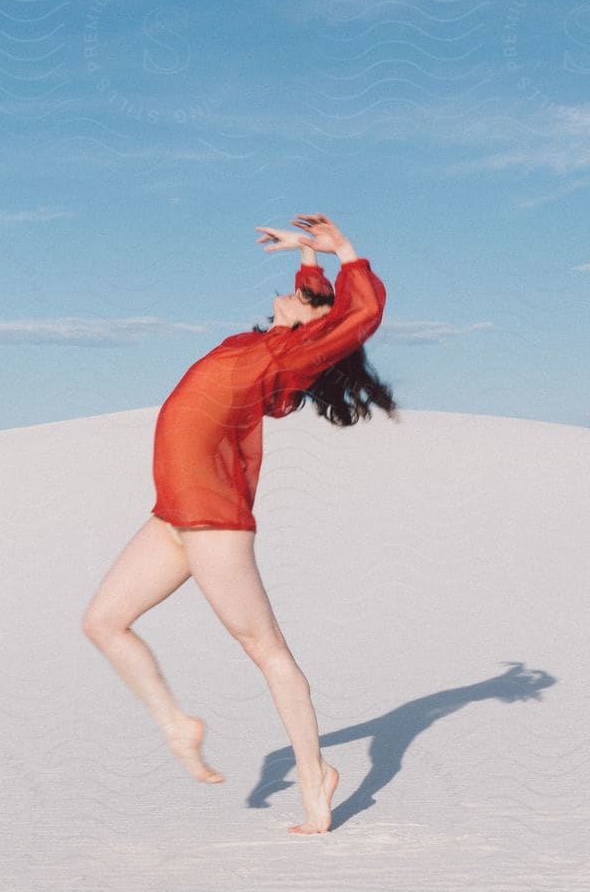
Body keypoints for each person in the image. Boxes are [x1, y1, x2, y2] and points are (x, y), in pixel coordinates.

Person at [80, 213, 398, 834]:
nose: (292, 296)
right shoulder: (258, 345)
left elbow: (355, 317)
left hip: (214, 520)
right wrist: (309, 256)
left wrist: (346, 251)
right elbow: (316, 302)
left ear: (317, 328)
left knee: (266, 650)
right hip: (173, 514)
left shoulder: (297, 352)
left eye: (309, 301)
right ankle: (177, 723)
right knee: (103, 621)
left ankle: (315, 782)